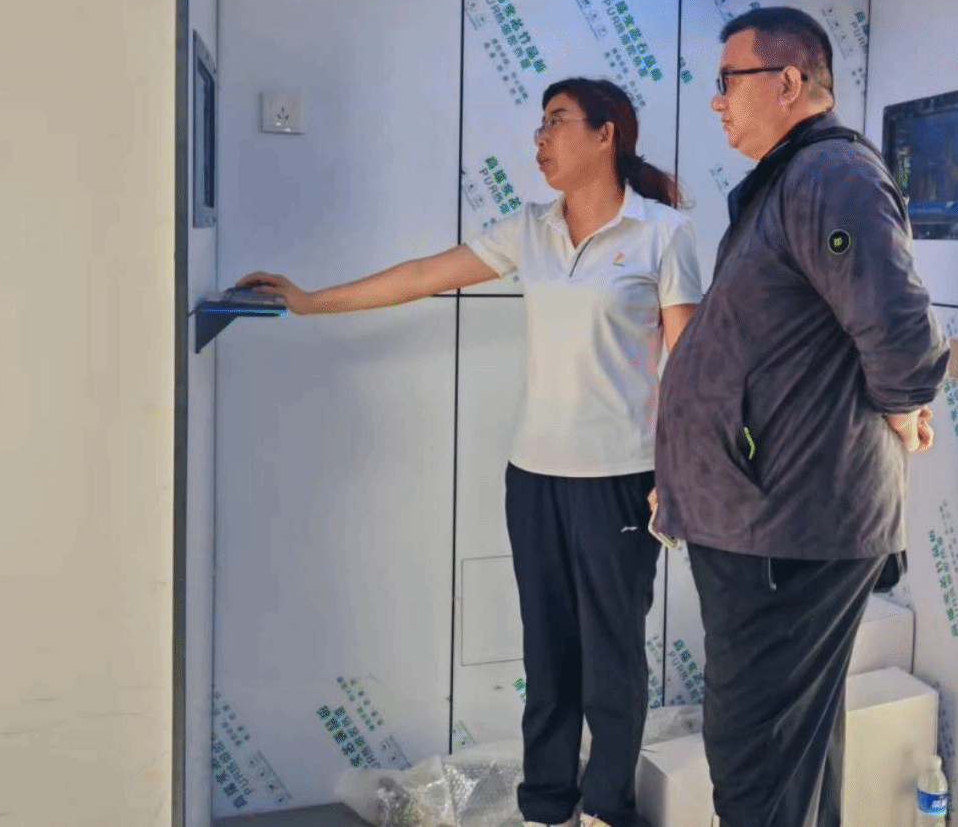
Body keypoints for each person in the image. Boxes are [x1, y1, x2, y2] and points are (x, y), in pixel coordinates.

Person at [238, 78, 702, 827]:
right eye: (539, 123)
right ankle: (546, 807)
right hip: (534, 477)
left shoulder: (662, 233)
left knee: (612, 659)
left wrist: (677, 470)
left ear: (607, 133)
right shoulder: (531, 229)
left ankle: (606, 810)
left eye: (557, 121)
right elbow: (424, 275)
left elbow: (691, 365)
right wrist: (311, 299)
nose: (540, 138)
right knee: (547, 656)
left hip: (621, 480)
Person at [652, 7, 951, 827]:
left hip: (787, 529)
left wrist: (904, 407)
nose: (716, 100)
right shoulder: (790, 182)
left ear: (787, 83)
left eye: (728, 80)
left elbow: (902, 334)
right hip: (762, 520)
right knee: (785, 759)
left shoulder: (831, 175)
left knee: (757, 765)